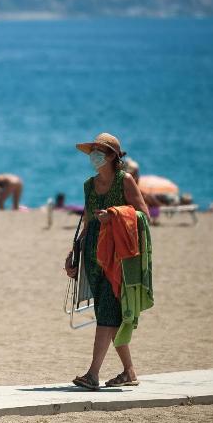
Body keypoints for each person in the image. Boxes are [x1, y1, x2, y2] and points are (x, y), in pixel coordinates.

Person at [64, 133, 150, 391]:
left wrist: (114, 215)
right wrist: (73, 252)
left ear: (113, 156)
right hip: (93, 256)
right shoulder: (89, 185)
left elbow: (144, 216)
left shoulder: (125, 181)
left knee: (108, 313)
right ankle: (129, 371)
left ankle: (92, 374)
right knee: (107, 313)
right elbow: (88, 223)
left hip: (117, 258)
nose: (94, 156)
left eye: (99, 151)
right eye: (92, 151)